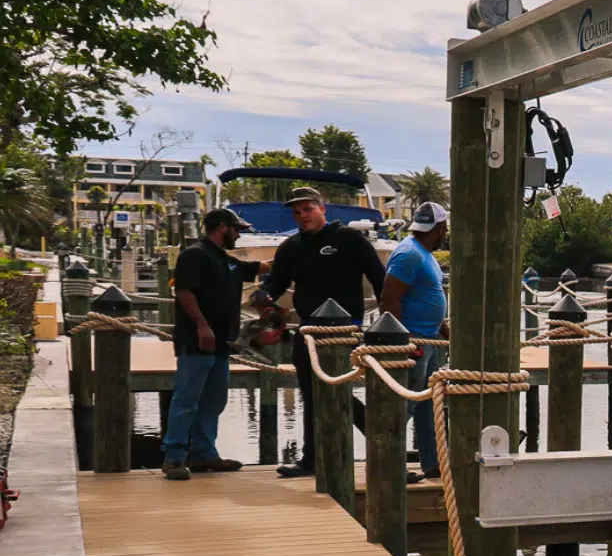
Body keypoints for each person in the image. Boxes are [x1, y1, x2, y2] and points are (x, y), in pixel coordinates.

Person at [256, 186, 384, 478]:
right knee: (311, 395)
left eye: (308, 209)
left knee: (338, 392)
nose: (303, 216)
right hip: (309, 332)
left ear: (322, 209)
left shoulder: (348, 238)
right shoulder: (290, 247)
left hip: (346, 331)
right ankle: (312, 460)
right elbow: (274, 284)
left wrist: (386, 322)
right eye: (297, 212)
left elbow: (380, 279)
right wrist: (264, 296)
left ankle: (387, 451)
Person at [161, 209, 263, 480]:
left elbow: (258, 269)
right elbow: (184, 291)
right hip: (197, 341)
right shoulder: (194, 255)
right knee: (186, 400)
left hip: (222, 344)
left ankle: (204, 454)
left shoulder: (224, 260)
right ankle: (174, 457)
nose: (239, 235)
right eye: (236, 229)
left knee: (214, 401)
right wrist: (202, 326)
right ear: (222, 227)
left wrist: (293, 253)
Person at [381, 202, 450, 482]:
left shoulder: (424, 253)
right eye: (444, 228)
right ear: (439, 228)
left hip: (429, 339)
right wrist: (405, 344)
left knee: (428, 405)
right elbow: (389, 300)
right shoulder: (409, 254)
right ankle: (388, 464)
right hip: (414, 342)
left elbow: (426, 296)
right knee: (405, 405)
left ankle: (433, 464)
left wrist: (446, 333)